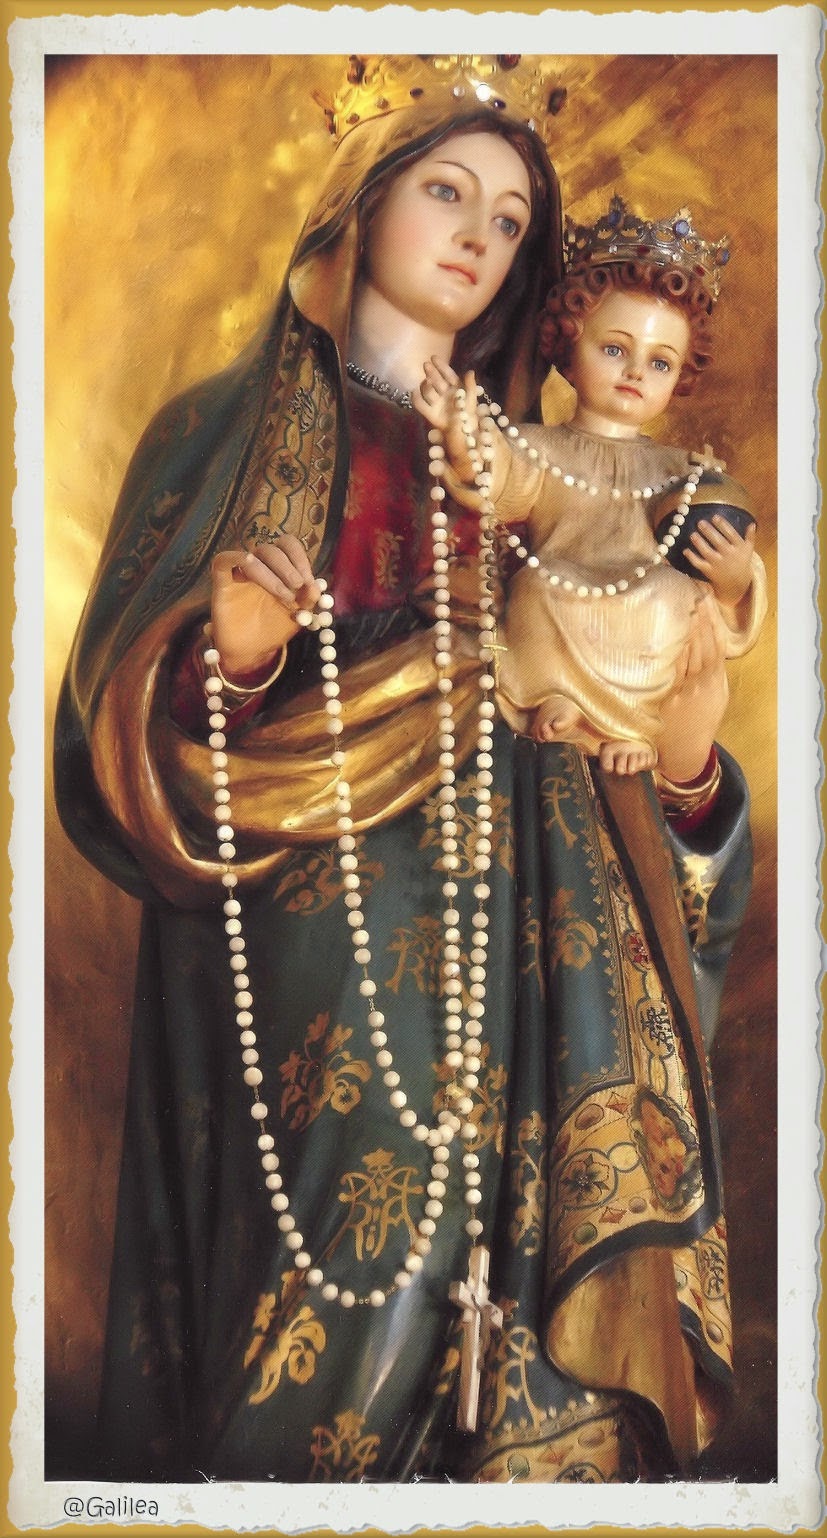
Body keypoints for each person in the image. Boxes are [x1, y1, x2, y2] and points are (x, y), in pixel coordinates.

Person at [55, 57, 754, 1483]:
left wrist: (686, 774)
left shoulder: (545, 478)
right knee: (345, 1266)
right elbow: (117, 740)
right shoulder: (223, 433)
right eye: (446, 192)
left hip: (541, 931)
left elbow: (652, 743)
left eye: (508, 220)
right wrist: (233, 658)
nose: (477, 237)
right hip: (319, 931)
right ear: (360, 201)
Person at [414, 197, 767, 777]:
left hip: (646, 601)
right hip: (561, 586)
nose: (635, 372)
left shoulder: (687, 469)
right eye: (614, 349)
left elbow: (724, 554)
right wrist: (463, 432)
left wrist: (732, 581)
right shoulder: (539, 445)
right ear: (569, 345)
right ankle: (553, 700)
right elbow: (496, 476)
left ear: (681, 374)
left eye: (660, 362)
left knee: (671, 599)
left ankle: (630, 727)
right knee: (535, 591)